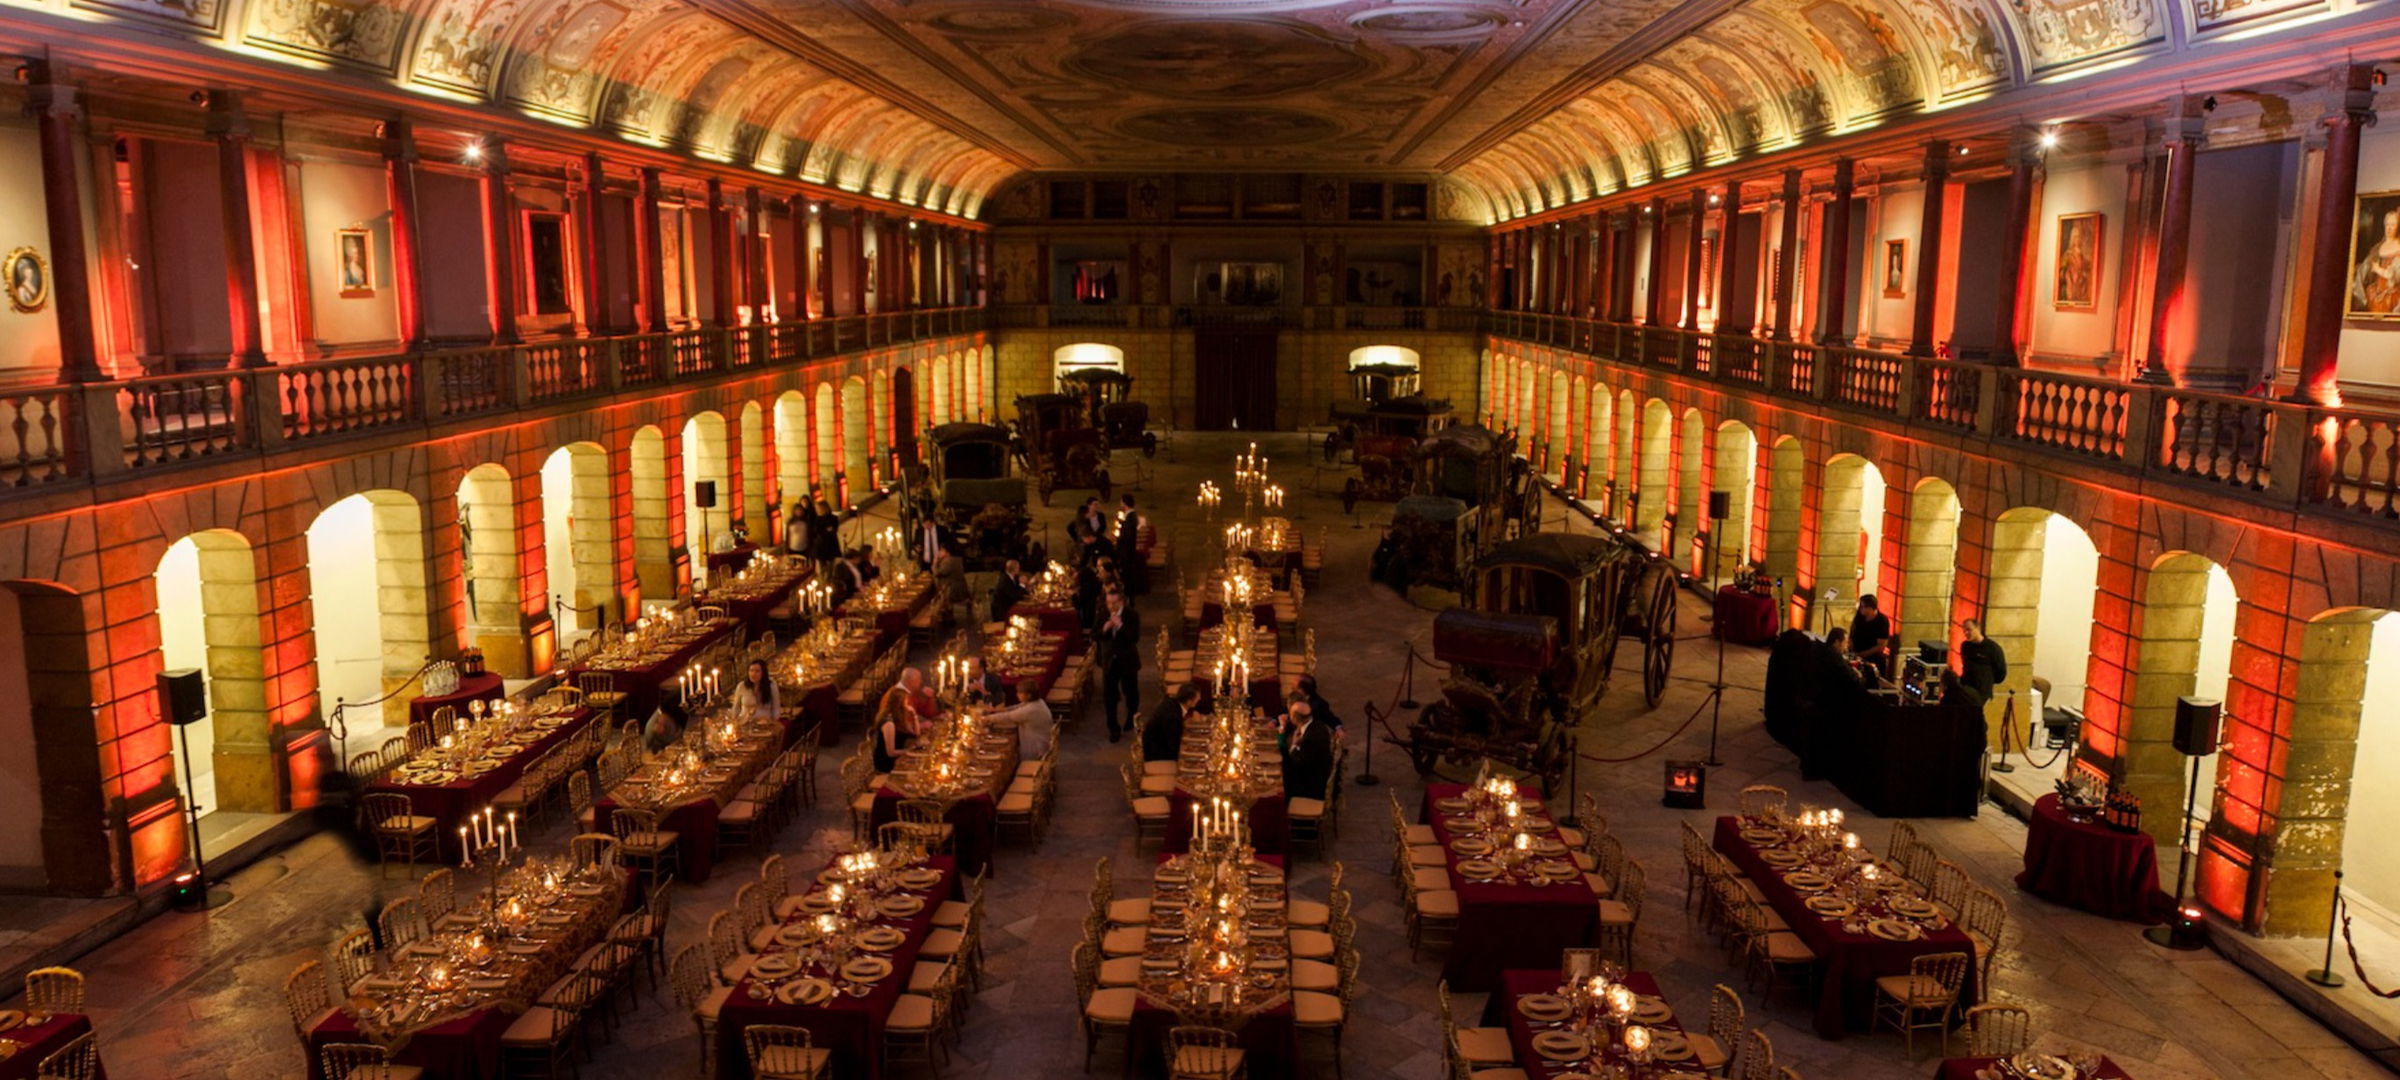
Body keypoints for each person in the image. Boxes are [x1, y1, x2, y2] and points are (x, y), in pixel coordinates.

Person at [1094, 587, 1142, 742]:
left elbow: (1134, 638)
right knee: (1109, 696)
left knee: (1131, 693)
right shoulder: (1102, 614)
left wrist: (1120, 626)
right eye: (1108, 603)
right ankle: (1113, 728)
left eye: (1114, 603)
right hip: (1110, 661)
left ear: (1121, 602)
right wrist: (1104, 629)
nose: (1111, 606)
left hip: (1127, 660)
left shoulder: (1131, 615)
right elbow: (1094, 635)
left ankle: (1131, 719)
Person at [980, 678, 1053, 760]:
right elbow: (1016, 708)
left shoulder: (1031, 710)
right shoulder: (1038, 702)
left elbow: (1008, 717)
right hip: (1040, 742)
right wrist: (995, 710)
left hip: (1035, 750)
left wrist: (986, 718)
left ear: (1029, 695)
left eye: (1020, 693)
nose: (1017, 695)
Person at [1283, 700, 1335, 801]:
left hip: (1310, 788)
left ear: (1295, 718)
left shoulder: (1310, 739)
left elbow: (1296, 763)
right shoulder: (1318, 725)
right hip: (1313, 774)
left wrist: (1294, 745)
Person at [1953, 618, 2008, 707]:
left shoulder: (1992, 648)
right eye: (1964, 631)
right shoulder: (1965, 646)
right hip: (1967, 687)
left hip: (1982, 691)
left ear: (1978, 628)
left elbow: (2001, 672)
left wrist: (1986, 680)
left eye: (1969, 630)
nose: (1966, 633)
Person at [1143, 683, 1197, 763]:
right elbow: (1175, 746)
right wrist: (1193, 748)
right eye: (1197, 699)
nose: (1199, 699)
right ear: (1189, 701)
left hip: (1157, 746)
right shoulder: (1173, 716)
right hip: (1158, 756)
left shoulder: (1172, 703)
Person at [871, 690, 917, 775]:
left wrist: (914, 715)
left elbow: (916, 734)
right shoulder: (889, 722)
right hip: (886, 763)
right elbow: (890, 753)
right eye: (906, 701)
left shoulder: (899, 717)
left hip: (898, 757)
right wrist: (909, 751)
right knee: (918, 769)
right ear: (900, 704)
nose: (908, 704)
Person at [1849, 595, 1892, 677]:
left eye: (1862, 606)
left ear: (1871, 608)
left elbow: (1881, 646)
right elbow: (1853, 630)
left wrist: (1861, 654)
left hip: (1872, 657)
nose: (1860, 609)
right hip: (1856, 653)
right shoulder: (1860, 616)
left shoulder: (1882, 621)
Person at [731, 659, 781, 725]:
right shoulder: (741, 686)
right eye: (751, 670)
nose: (753, 674)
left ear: (763, 673)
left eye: (757, 671)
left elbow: (776, 708)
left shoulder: (771, 686)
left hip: (765, 724)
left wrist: (773, 722)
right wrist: (734, 720)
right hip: (745, 722)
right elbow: (736, 707)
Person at [1116, 495, 1148, 597]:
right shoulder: (1131, 516)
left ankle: (1129, 594)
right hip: (1128, 550)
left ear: (1124, 503)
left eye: (1121, 502)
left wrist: (1119, 539)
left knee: (1127, 574)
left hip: (1127, 551)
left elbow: (1128, 536)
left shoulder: (1130, 517)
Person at [990, 559, 1028, 623]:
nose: (1019, 570)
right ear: (1014, 569)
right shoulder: (1005, 580)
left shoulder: (1013, 577)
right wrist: (1022, 585)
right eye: (1018, 568)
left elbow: (1018, 590)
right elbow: (1015, 596)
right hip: (1002, 609)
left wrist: (1027, 586)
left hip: (1009, 605)